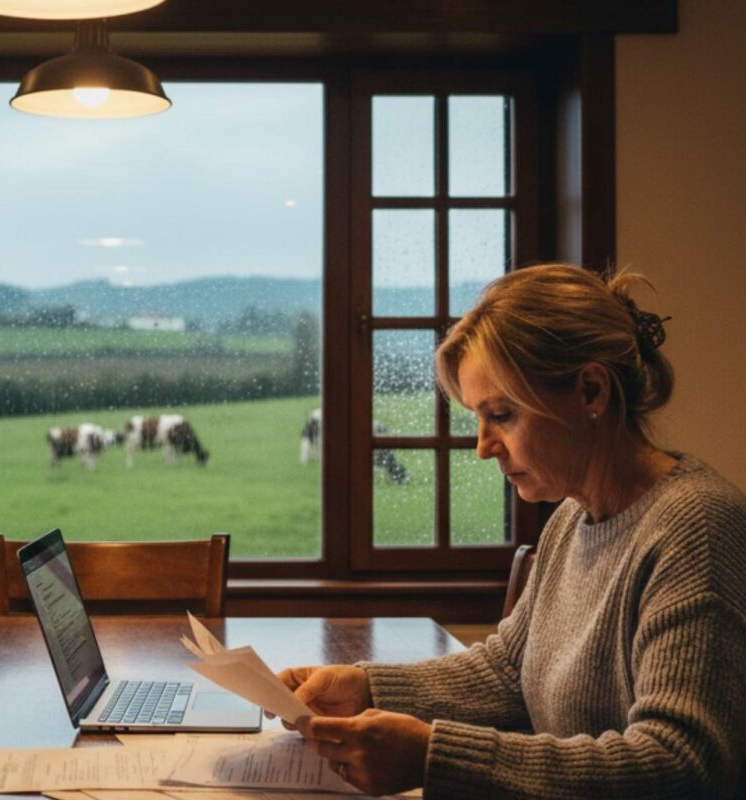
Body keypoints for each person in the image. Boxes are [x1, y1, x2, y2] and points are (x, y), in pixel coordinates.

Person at [278, 264, 746, 799]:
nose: (483, 446)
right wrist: (365, 686)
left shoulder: (697, 529)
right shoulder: (573, 518)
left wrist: (435, 757)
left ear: (591, 390)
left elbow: (680, 762)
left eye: (501, 414)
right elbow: (509, 671)